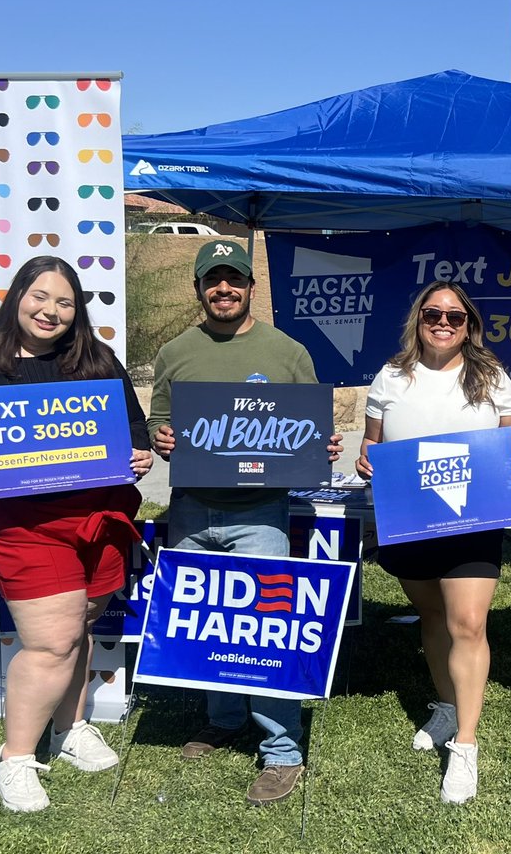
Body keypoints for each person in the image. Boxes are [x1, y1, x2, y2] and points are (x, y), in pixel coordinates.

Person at [0, 256, 153, 813]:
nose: (50, 310)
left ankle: (69, 728)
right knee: (51, 640)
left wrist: (139, 452)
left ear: (78, 312)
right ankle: (16, 758)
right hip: (22, 525)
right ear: (17, 296)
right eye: (40, 296)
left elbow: (134, 425)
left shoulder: (98, 361)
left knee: (79, 627)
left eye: (65, 302)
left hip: (99, 517)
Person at [148, 239, 342, 807]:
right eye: (213, 280)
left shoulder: (286, 351)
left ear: (251, 286)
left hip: (261, 514)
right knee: (206, 623)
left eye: (234, 279)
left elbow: (310, 427)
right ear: (199, 288)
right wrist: (162, 439)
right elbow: (163, 420)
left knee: (264, 630)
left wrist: (322, 444)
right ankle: (225, 718)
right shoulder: (174, 351)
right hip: (189, 509)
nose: (224, 289)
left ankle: (283, 750)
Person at [354, 281, 511, 805]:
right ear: (418, 319)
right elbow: (371, 441)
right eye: (433, 313)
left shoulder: (491, 376)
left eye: (455, 317)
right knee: (434, 617)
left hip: (472, 518)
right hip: (410, 518)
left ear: (468, 326)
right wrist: (367, 458)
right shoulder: (390, 376)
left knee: (468, 622)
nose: (443, 323)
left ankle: (466, 745)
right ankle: (446, 705)